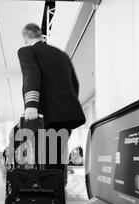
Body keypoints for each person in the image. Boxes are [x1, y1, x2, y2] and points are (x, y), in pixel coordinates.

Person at [18, 23, 86, 185]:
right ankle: (56, 198)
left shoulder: (27, 51)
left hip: (47, 115)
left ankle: (47, 200)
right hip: (67, 116)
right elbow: (74, 84)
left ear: (26, 37)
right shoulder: (61, 55)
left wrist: (31, 105)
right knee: (57, 157)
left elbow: (31, 74)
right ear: (40, 35)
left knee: (46, 158)